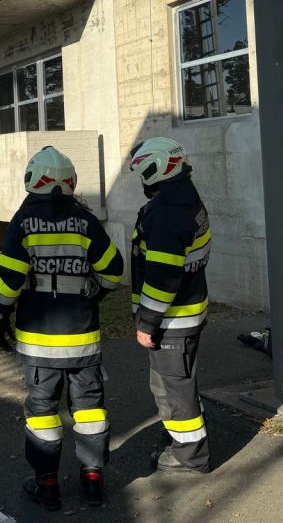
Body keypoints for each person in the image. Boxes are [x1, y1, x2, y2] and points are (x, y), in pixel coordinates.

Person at [0, 146, 123, 509]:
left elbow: (9, 283)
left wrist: (0, 313)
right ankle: (93, 480)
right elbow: (113, 272)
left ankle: (47, 484)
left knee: (43, 411)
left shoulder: (22, 222)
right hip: (82, 338)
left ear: (33, 180)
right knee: (90, 409)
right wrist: (92, 293)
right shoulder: (86, 221)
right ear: (71, 182)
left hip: (39, 342)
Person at [128, 137, 212, 474]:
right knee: (178, 385)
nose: (142, 181)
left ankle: (190, 457)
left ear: (158, 170)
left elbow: (162, 280)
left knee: (174, 389)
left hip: (172, 321)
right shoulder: (187, 198)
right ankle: (183, 442)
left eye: (144, 173)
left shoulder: (166, 213)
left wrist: (147, 322)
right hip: (188, 311)